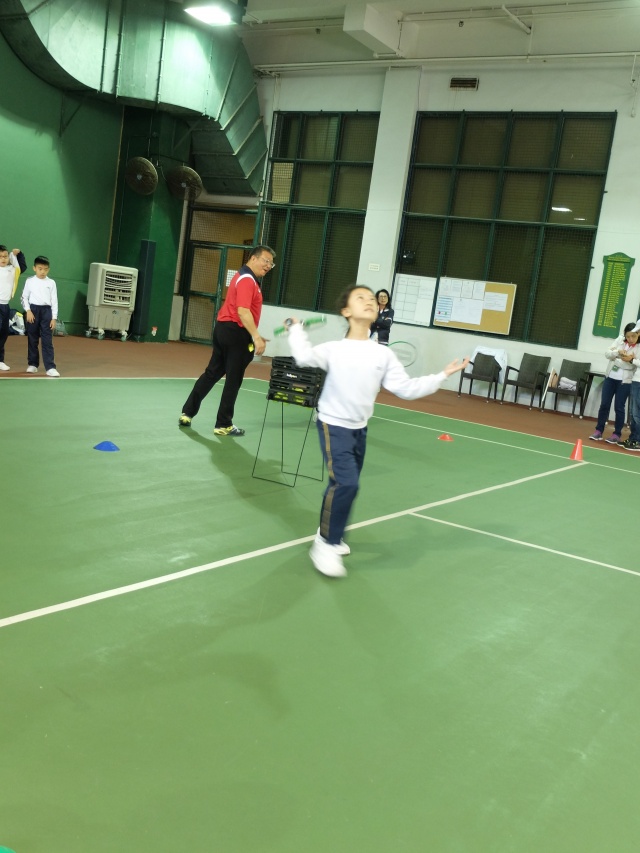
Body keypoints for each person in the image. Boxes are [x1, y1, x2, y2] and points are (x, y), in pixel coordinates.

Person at [287, 284, 470, 578]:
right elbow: (304, 357)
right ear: (346, 311)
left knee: (342, 484)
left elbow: (406, 389)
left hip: (359, 429)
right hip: (333, 424)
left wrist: (442, 375)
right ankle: (326, 545)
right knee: (346, 484)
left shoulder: (382, 354)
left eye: (372, 299)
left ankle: (329, 532)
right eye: (360, 298)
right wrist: (296, 330)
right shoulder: (334, 349)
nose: (369, 301)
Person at [179, 245, 275, 435]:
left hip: (224, 330)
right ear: (253, 258)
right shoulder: (248, 280)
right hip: (235, 333)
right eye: (266, 261)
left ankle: (187, 412)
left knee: (212, 373)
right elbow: (243, 311)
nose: (268, 266)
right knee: (233, 379)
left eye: (271, 264)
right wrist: (256, 337)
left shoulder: (241, 276)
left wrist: (253, 333)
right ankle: (223, 424)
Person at [589, 321, 639, 445]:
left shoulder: (638, 346)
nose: (630, 339)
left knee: (619, 407)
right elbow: (607, 354)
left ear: (638, 334)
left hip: (625, 382)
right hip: (610, 378)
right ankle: (598, 431)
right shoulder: (620, 340)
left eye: (633, 336)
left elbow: (631, 366)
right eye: (628, 336)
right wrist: (617, 353)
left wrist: (618, 360)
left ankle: (616, 434)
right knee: (604, 404)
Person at [21, 255, 60, 377]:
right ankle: (33, 364)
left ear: (48, 269)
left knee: (47, 340)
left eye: (45, 269)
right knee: (32, 338)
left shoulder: (51, 283)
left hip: (47, 312)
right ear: (34, 268)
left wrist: (54, 318)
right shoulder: (29, 281)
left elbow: (54, 301)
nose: (43, 272)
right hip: (33, 311)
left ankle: (50, 367)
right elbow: (24, 297)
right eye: (40, 269)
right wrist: (28, 311)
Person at [0, 245, 26, 371]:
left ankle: (0, 360)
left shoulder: (13, 269)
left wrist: (19, 254)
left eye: (5, 256)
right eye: (0, 257)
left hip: (5, 306)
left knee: (3, 333)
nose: (3, 259)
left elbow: (23, 267)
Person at [619, 318, 640, 451]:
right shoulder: (636, 346)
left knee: (637, 412)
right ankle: (633, 438)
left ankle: (638, 440)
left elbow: (636, 361)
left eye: (636, 333)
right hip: (636, 380)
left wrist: (632, 360)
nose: (631, 338)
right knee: (632, 412)